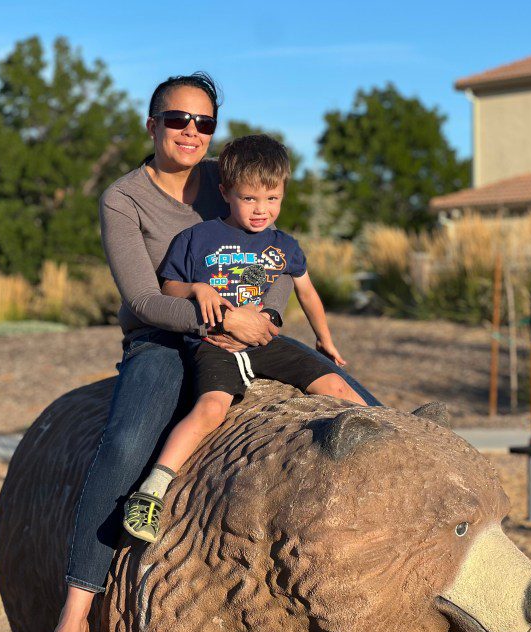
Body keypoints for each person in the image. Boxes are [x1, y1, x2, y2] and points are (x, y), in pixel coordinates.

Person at [36, 72, 380, 632]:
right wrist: (216, 316)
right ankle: (76, 609)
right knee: (123, 442)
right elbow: (143, 298)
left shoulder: (231, 177)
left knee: (361, 404)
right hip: (165, 335)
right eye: (177, 120)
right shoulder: (123, 198)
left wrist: (272, 318)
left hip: (252, 326)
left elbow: (272, 249)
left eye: (204, 123)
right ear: (152, 123)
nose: (191, 132)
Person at [123, 134, 366, 543]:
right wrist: (198, 289)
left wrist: (325, 340)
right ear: (226, 193)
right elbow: (168, 288)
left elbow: (307, 293)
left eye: (272, 199)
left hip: (263, 341)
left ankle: (391, 455)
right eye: (250, 199)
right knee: (212, 408)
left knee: (338, 387)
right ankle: (151, 493)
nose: (261, 210)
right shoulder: (197, 239)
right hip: (213, 344)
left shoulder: (283, 246)